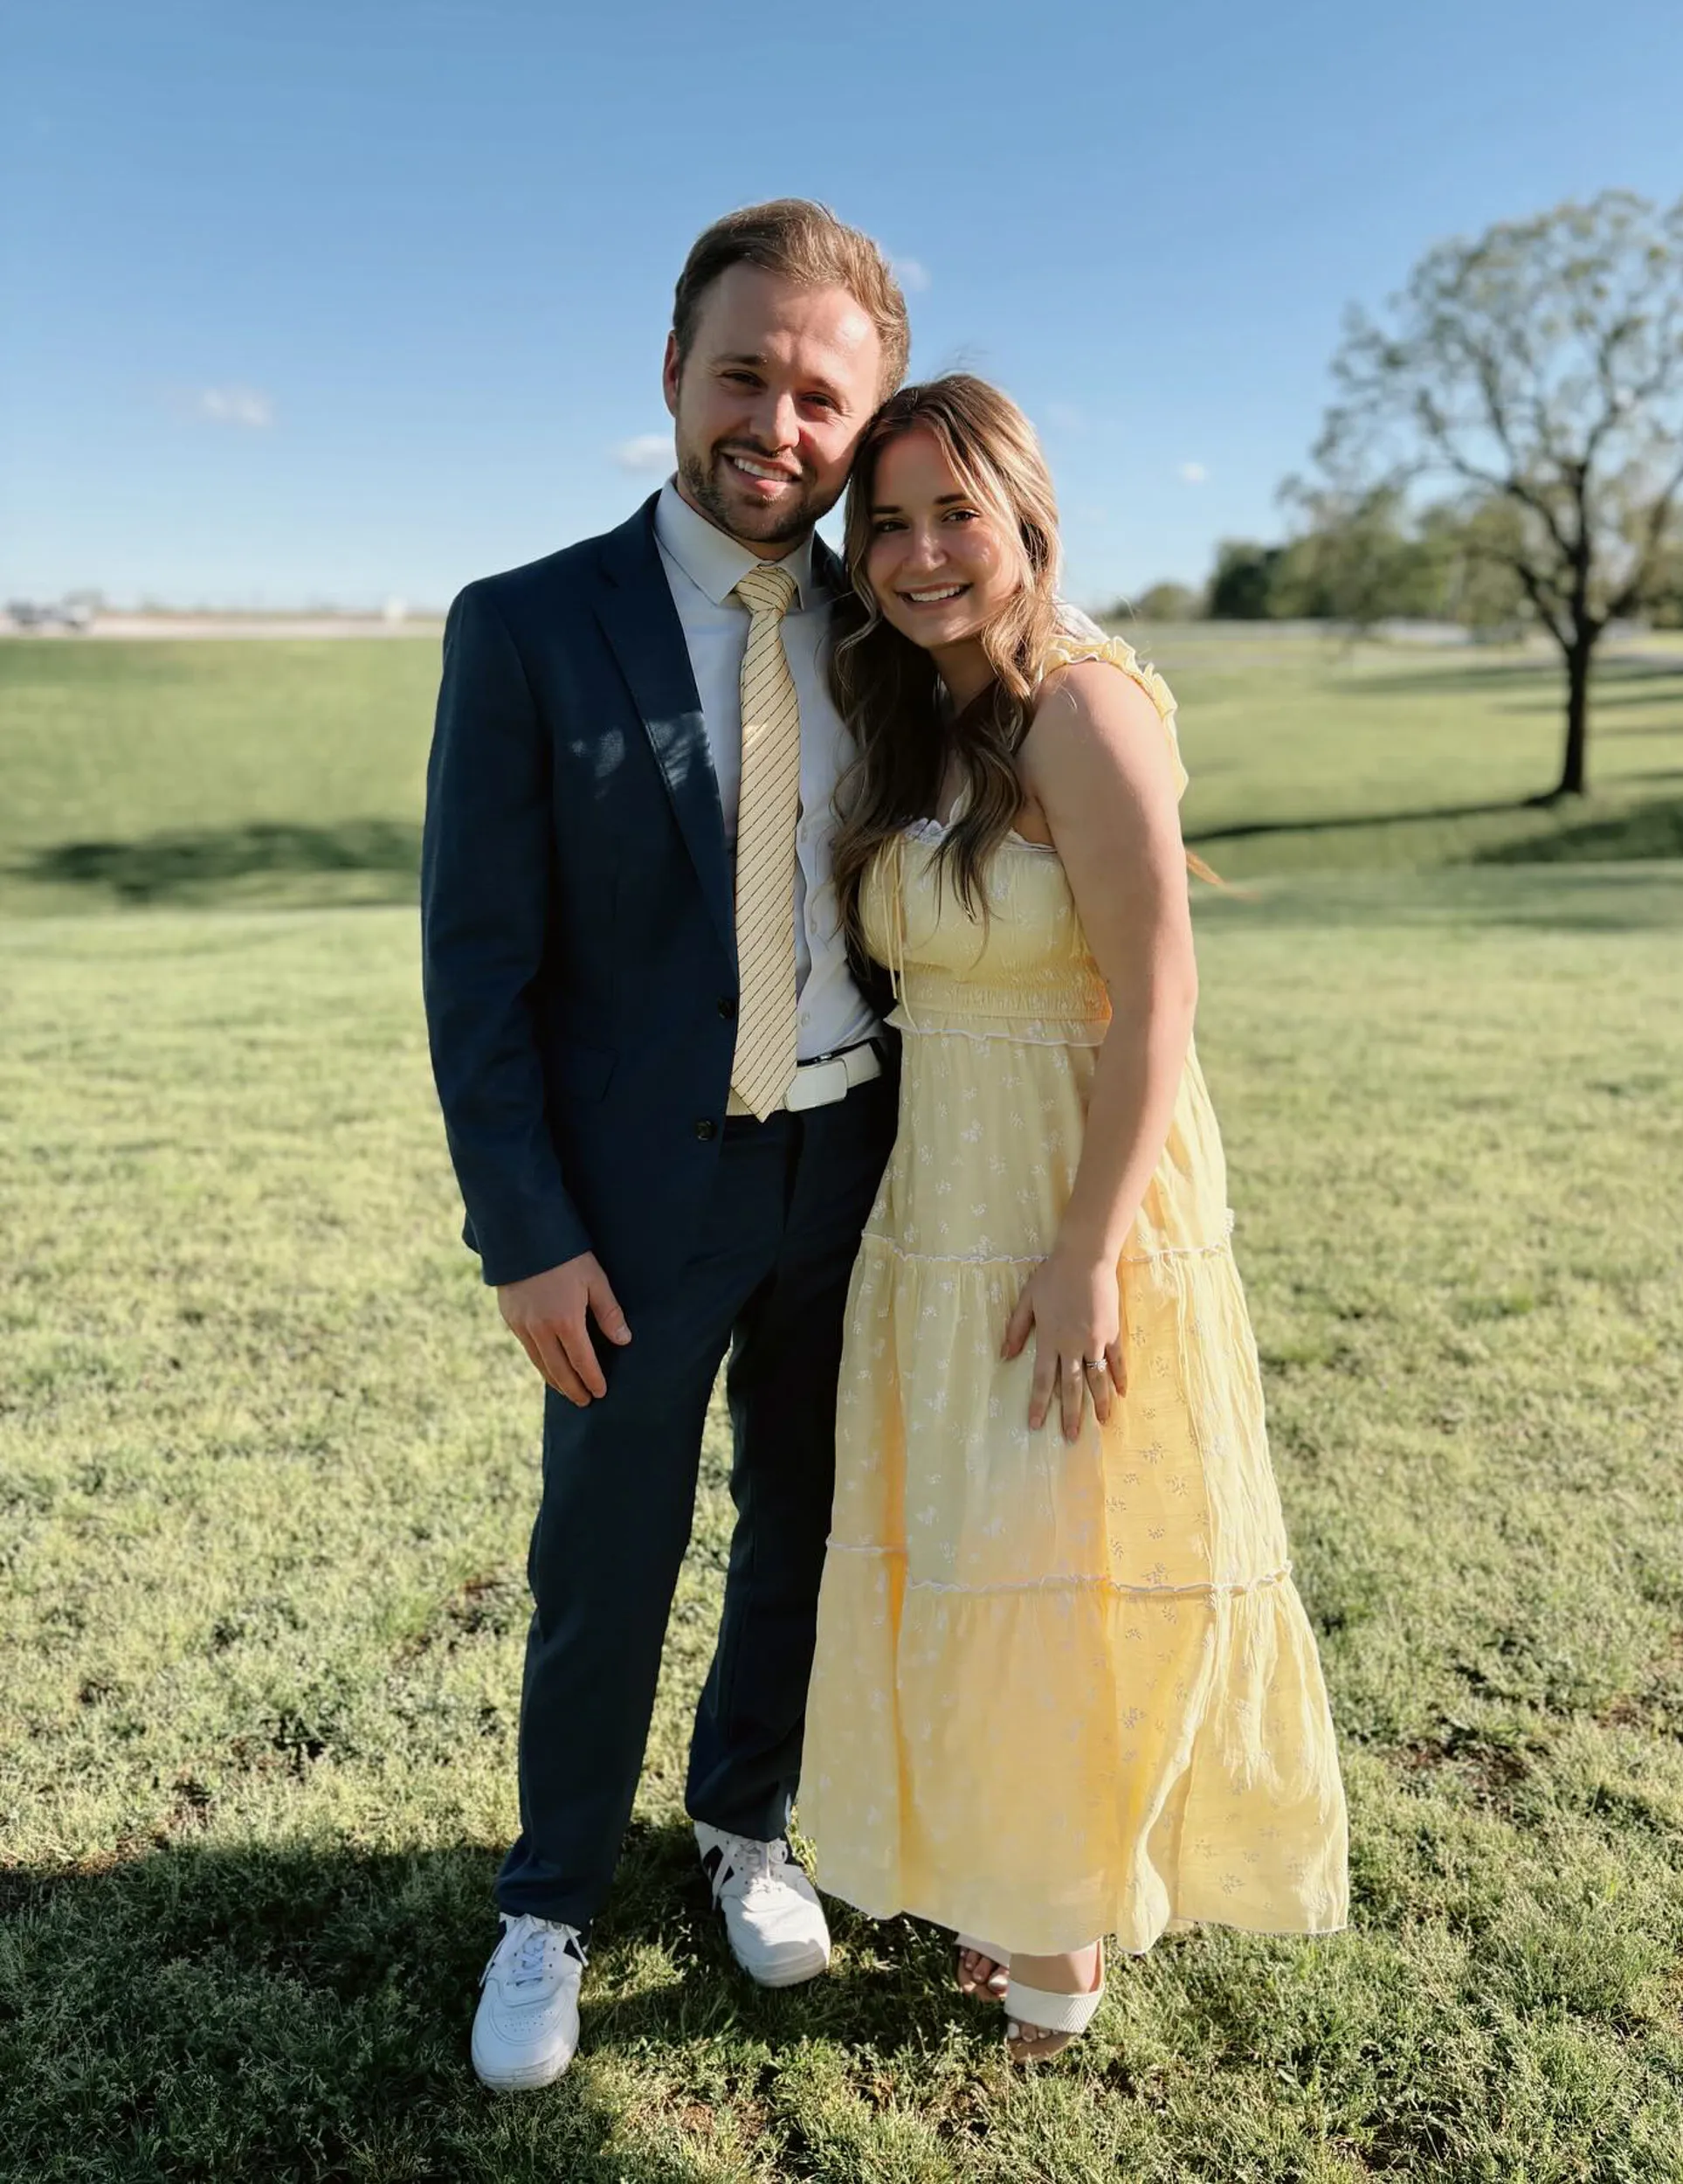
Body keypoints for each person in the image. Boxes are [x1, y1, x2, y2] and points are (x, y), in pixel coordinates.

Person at [798, 377, 1349, 2062]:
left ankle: (1062, 1938)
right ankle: (1013, 1872)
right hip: (945, 1191)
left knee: (1061, 1551)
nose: (915, 554)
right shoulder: (921, 721)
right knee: (983, 1547)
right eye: (883, 523)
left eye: (952, 513)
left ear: (1027, 517)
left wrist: (1090, 1250)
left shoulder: (1089, 711)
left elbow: (1161, 996)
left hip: (1077, 1184)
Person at [420, 201, 908, 2093]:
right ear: (672, 373)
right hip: (630, 1203)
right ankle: (546, 1900)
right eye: (743, 375)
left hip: (851, 1167)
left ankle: (744, 1822)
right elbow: (479, 966)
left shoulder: (892, 630)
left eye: (818, 395)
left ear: (861, 422)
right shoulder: (527, 624)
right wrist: (522, 1231)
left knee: (804, 1520)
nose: (774, 423)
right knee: (604, 1552)